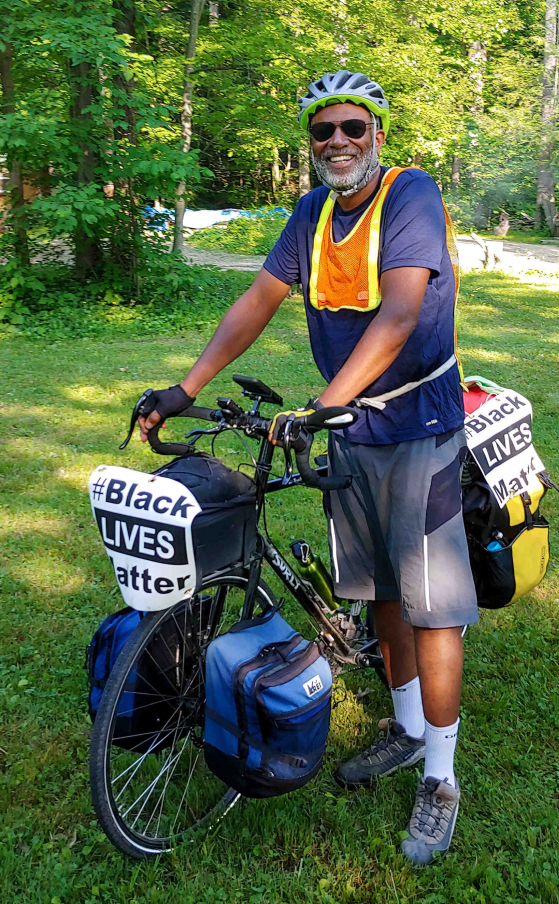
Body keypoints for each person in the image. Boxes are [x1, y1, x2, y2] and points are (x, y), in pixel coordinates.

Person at [138, 70, 479, 867]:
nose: (337, 143)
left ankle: (441, 776)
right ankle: (403, 728)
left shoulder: (411, 195)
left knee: (432, 606)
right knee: (380, 593)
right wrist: (186, 389)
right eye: (323, 131)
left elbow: (399, 314)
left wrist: (323, 402)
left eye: (353, 128)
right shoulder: (310, 212)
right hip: (353, 429)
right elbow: (257, 299)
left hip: (420, 426)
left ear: (378, 136)